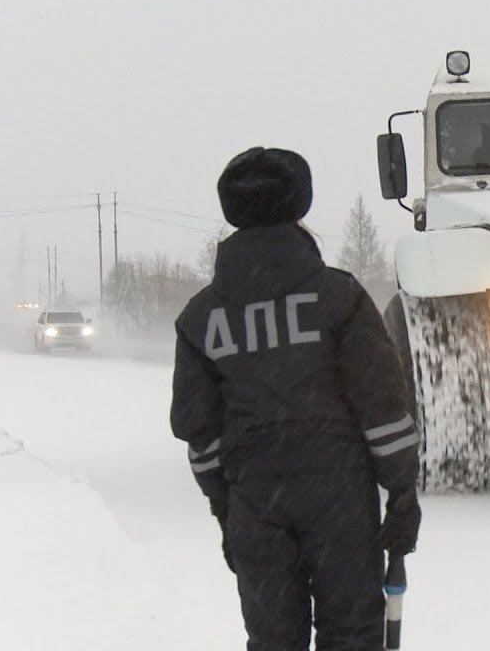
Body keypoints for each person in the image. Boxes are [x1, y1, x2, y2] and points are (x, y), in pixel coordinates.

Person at [170, 147, 421, 650]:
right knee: (351, 635)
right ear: (299, 206)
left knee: (273, 641)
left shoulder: (200, 318)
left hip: (255, 500)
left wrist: (226, 509)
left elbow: (199, 428)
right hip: (340, 499)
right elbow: (382, 408)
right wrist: (401, 493)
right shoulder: (339, 298)